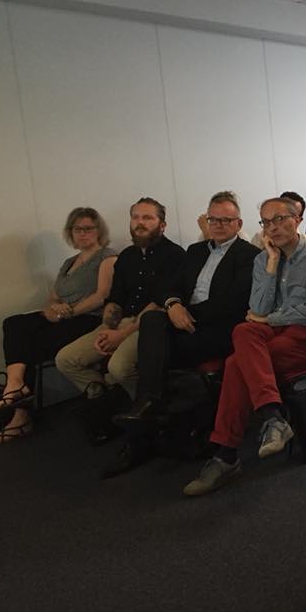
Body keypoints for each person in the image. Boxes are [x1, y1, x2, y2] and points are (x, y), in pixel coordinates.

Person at [182, 196, 306, 496]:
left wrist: (269, 318)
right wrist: (271, 265)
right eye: (267, 222)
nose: (273, 227)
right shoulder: (261, 259)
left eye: (280, 219)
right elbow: (256, 308)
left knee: (235, 364)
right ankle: (273, 419)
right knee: (243, 330)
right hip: (270, 335)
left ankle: (228, 454)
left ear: (297, 220)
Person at [105, 191, 260, 476]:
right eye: (213, 219)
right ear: (207, 221)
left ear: (238, 224)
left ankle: (147, 421)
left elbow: (232, 303)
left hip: (218, 330)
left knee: (151, 351)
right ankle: (152, 407)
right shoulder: (195, 251)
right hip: (182, 325)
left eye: (226, 220)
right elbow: (167, 287)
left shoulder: (249, 255)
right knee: (153, 318)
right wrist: (173, 305)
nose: (219, 225)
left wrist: (185, 313)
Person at [55, 198, 185, 442]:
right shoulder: (126, 256)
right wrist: (106, 328)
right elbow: (114, 299)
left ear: (162, 225)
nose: (140, 223)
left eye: (147, 218)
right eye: (136, 217)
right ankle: (110, 403)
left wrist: (120, 336)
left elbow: (159, 303)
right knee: (66, 360)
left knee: (119, 367)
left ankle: (150, 414)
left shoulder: (175, 255)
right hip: (119, 324)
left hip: (151, 325)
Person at [0, 208, 117, 444]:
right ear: (71, 232)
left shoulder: (107, 257)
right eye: (77, 229)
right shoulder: (69, 263)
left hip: (88, 318)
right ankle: (15, 384)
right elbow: (54, 297)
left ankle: (20, 416)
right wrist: (52, 308)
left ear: (99, 230)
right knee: (14, 323)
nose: (83, 233)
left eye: (88, 228)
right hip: (63, 316)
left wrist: (67, 313)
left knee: (29, 345)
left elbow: (101, 297)